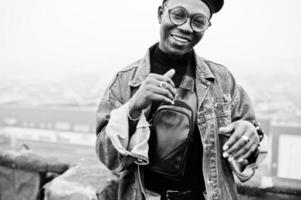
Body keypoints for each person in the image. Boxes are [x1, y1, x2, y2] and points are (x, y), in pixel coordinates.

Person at [96, 0, 266, 199]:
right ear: (161, 14)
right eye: (178, 15)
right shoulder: (125, 81)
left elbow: (250, 149)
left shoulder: (223, 80)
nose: (186, 27)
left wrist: (250, 135)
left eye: (199, 21)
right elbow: (107, 157)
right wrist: (133, 108)